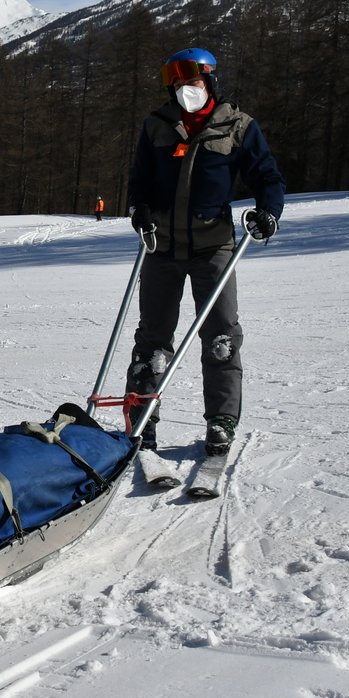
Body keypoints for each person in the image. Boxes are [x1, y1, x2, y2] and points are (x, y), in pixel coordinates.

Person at [124, 47, 284, 458]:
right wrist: (138, 209)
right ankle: (142, 422)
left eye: (191, 81)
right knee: (152, 344)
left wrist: (269, 211)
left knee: (220, 339)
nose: (183, 89)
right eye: (176, 83)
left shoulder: (237, 126)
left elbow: (268, 177)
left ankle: (221, 422)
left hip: (213, 247)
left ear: (209, 81)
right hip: (160, 246)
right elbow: (139, 179)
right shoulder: (158, 126)